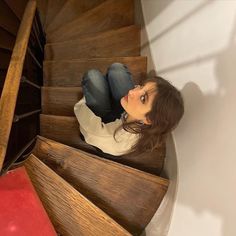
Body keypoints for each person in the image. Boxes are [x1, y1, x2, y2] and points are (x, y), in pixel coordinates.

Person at [74, 63, 184, 156]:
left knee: (92, 75)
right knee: (117, 68)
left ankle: (105, 95)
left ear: (148, 119)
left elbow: (81, 111)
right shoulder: (150, 125)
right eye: (141, 86)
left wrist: (84, 100)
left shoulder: (106, 136)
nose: (132, 91)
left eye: (143, 98)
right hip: (127, 114)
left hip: (103, 125)